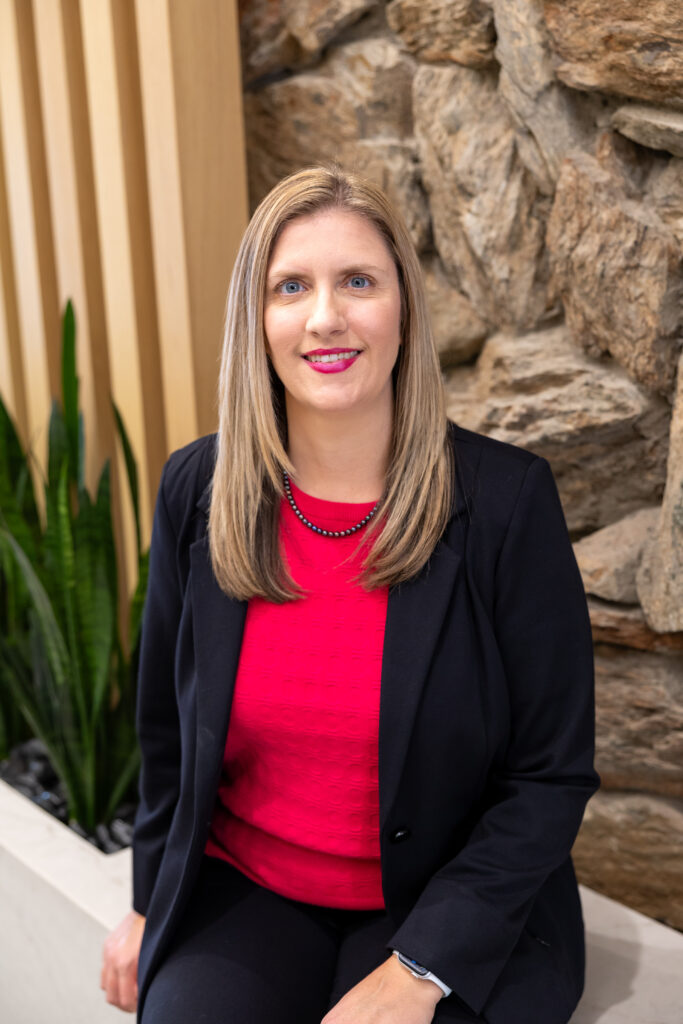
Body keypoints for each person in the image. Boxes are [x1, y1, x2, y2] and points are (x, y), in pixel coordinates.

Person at [100, 165, 599, 1024]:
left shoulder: (505, 503)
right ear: (257, 322)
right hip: (249, 889)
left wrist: (421, 968)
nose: (325, 316)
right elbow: (165, 733)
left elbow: (549, 776)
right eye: (290, 286)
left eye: (357, 282)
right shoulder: (198, 488)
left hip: (453, 901)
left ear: (401, 309)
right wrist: (150, 899)